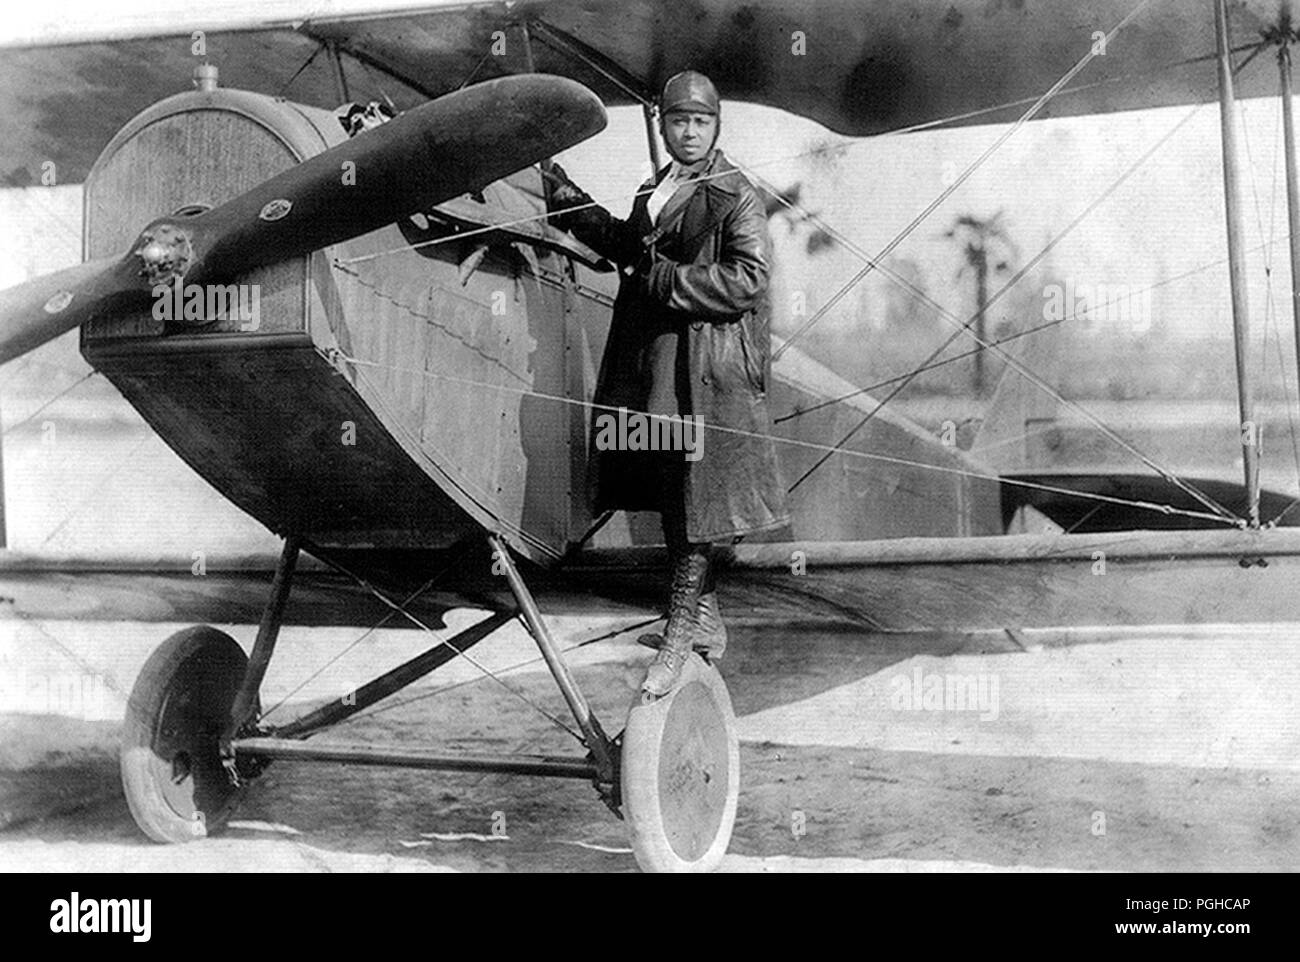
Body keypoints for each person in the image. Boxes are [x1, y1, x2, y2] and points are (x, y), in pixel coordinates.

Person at [547, 70, 789, 697]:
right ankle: (704, 620)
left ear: (715, 127)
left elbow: (747, 280)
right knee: (667, 485)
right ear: (663, 125)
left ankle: (681, 631)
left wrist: (666, 283)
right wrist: (564, 194)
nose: (687, 130)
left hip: (704, 370)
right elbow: (629, 246)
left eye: (699, 121)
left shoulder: (735, 194)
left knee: (693, 498)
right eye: (678, 120)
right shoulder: (658, 188)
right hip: (657, 362)